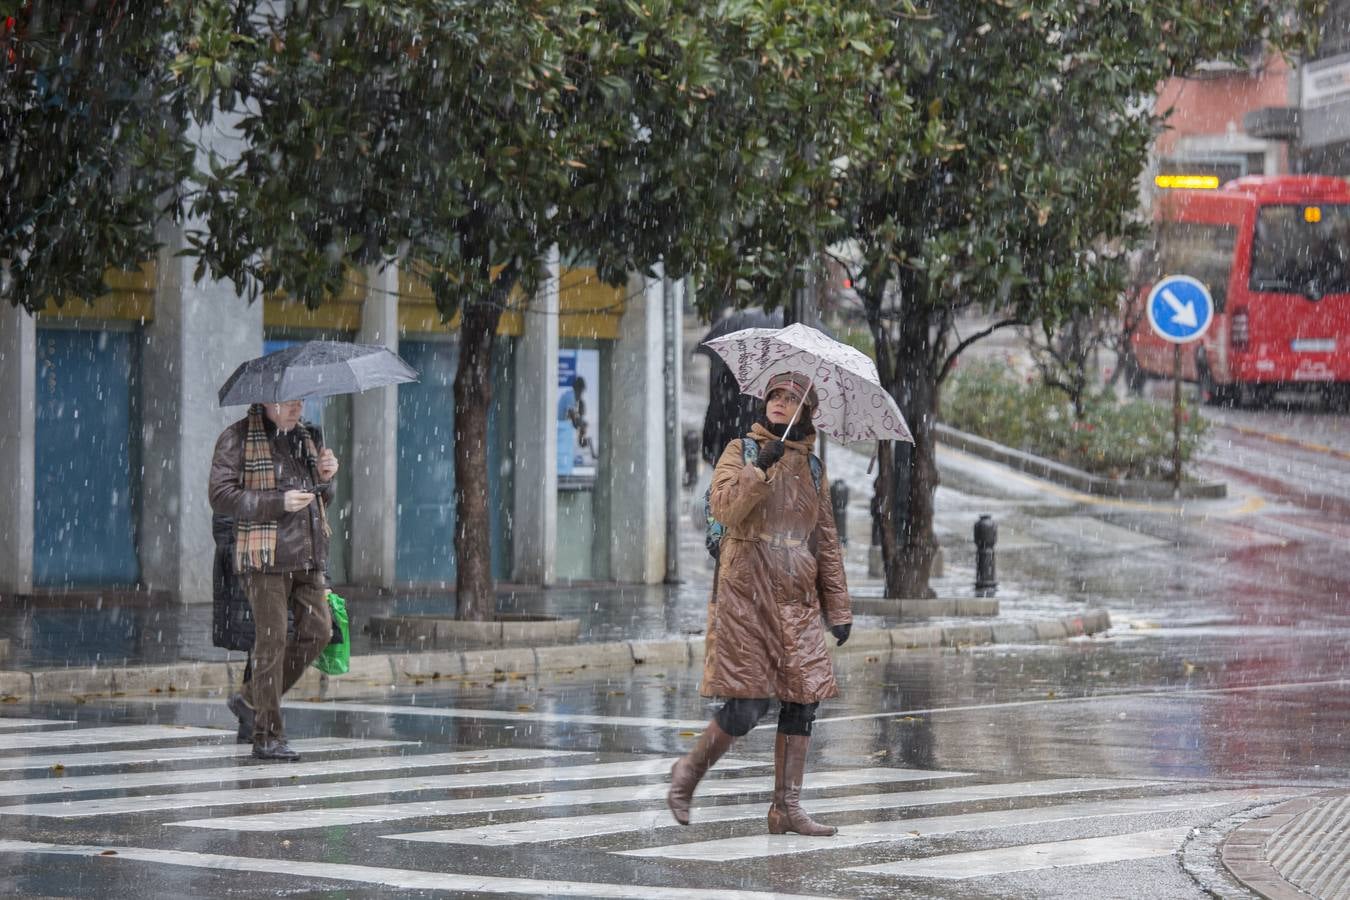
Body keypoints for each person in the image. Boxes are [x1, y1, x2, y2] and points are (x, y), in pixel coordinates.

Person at [668, 371, 852, 835]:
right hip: (747, 593)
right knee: (749, 704)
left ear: (806, 412)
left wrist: (838, 608)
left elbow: (825, 541)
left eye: (791, 398)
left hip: (797, 598)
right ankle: (688, 772)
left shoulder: (813, 468)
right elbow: (723, 508)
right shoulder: (742, 451)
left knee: (802, 701)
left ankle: (786, 808)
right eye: (775, 395)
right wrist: (759, 472)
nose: (780, 403)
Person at [208, 399, 339, 761]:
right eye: (288, 401)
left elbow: (319, 500)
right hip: (264, 557)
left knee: (319, 632)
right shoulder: (236, 438)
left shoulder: (306, 437)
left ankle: (251, 699)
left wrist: (325, 478)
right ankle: (267, 736)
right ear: (266, 400)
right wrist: (277, 502)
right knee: (272, 641)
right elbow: (220, 495)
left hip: (307, 555)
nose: (297, 407)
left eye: (300, 400)